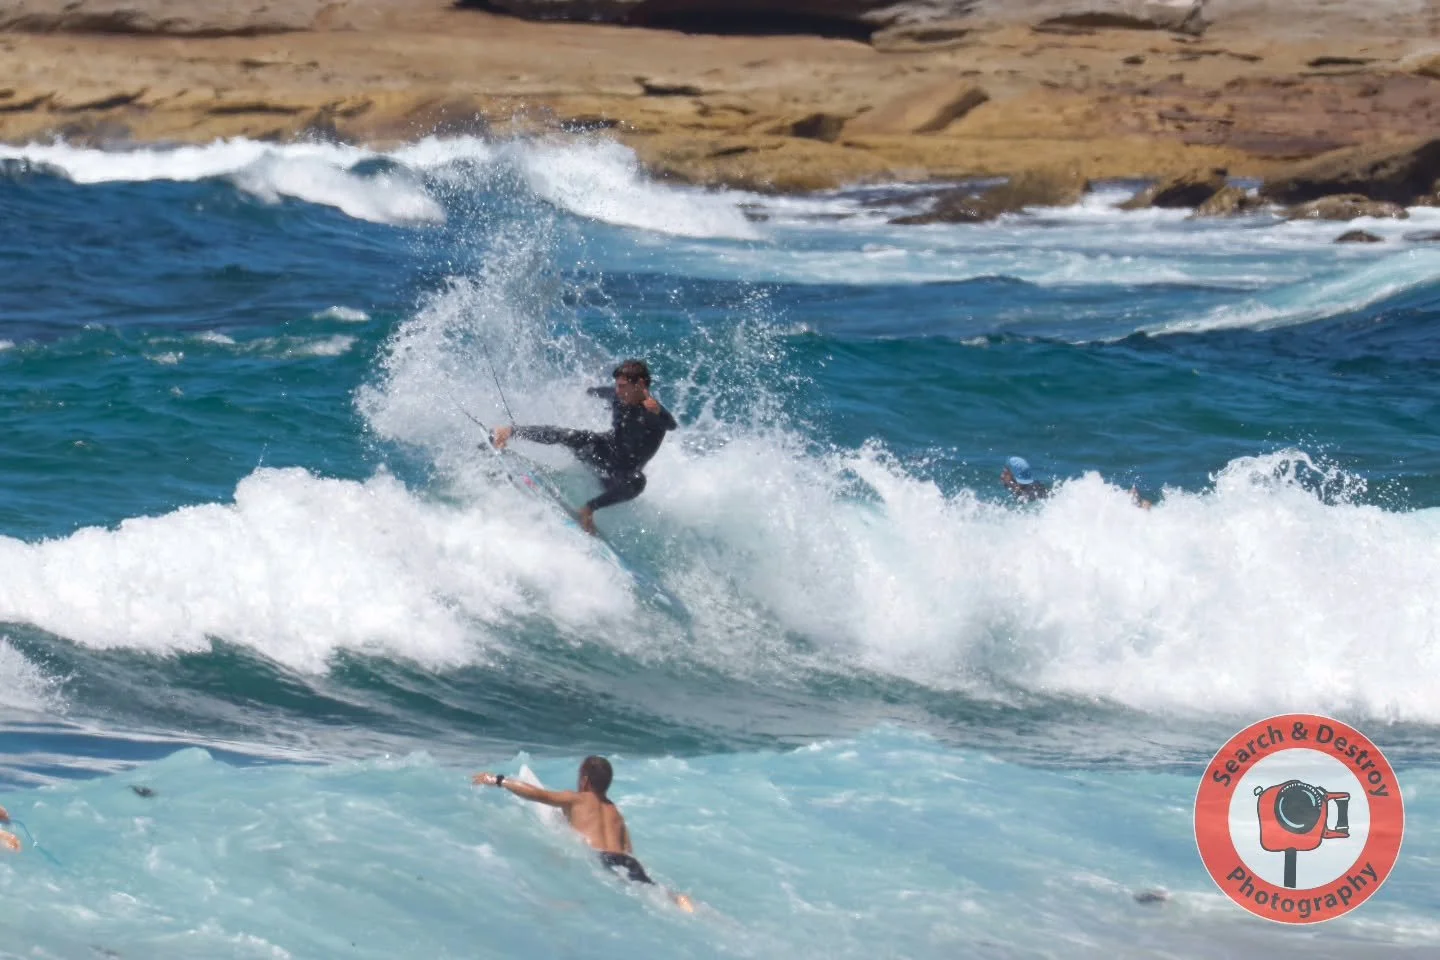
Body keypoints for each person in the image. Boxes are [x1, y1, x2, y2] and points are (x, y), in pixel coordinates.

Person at [473, 756, 693, 911]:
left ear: (585, 780)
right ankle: (678, 899)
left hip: (602, 858)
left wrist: (498, 780)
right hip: (626, 861)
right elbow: (628, 851)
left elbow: (538, 795)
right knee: (651, 891)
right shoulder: (615, 812)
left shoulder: (577, 798)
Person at [490, 359, 677, 535]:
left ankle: (588, 509)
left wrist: (659, 410)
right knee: (570, 436)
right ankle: (509, 432)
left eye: (622, 386)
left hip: (622, 472)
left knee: (637, 481)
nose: (618, 391)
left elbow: (671, 425)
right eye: (617, 386)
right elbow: (594, 391)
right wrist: (585, 390)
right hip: (603, 451)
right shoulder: (617, 396)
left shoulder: (652, 411)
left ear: (640, 385)